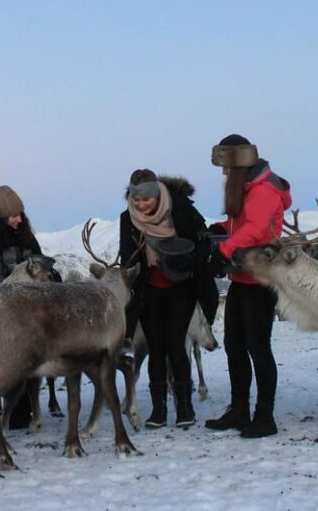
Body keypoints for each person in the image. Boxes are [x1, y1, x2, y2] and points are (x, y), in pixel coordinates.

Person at [205, 134, 292, 438]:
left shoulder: (264, 190)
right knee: (234, 345)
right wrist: (221, 232)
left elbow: (256, 230)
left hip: (261, 278)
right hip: (242, 277)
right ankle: (240, 410)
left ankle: (264, 417)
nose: (224, 173)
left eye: (226, 166)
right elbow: (245, 225)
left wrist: (225, 249)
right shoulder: (248, 188)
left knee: (258, 347)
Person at [120, 169, 218, 429]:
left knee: (176, 346)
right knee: (156, 348)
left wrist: (188, 257)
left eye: (146, 200)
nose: (140, 205)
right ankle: (158, 410)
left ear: (157, 195)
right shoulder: (127, 219)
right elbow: (126, 259)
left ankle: (184, 406)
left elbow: (203, 242)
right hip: (148, 291)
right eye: (135, 200)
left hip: (181, 287)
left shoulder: (180, 209)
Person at [0, 185, 46, 429]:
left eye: (20, 215)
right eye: (12, 215)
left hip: (27, 308)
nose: (18, 219)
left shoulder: (26, 235)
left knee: (22, 361)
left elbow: (39, 260)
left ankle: (19, 415)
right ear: (1, 215)